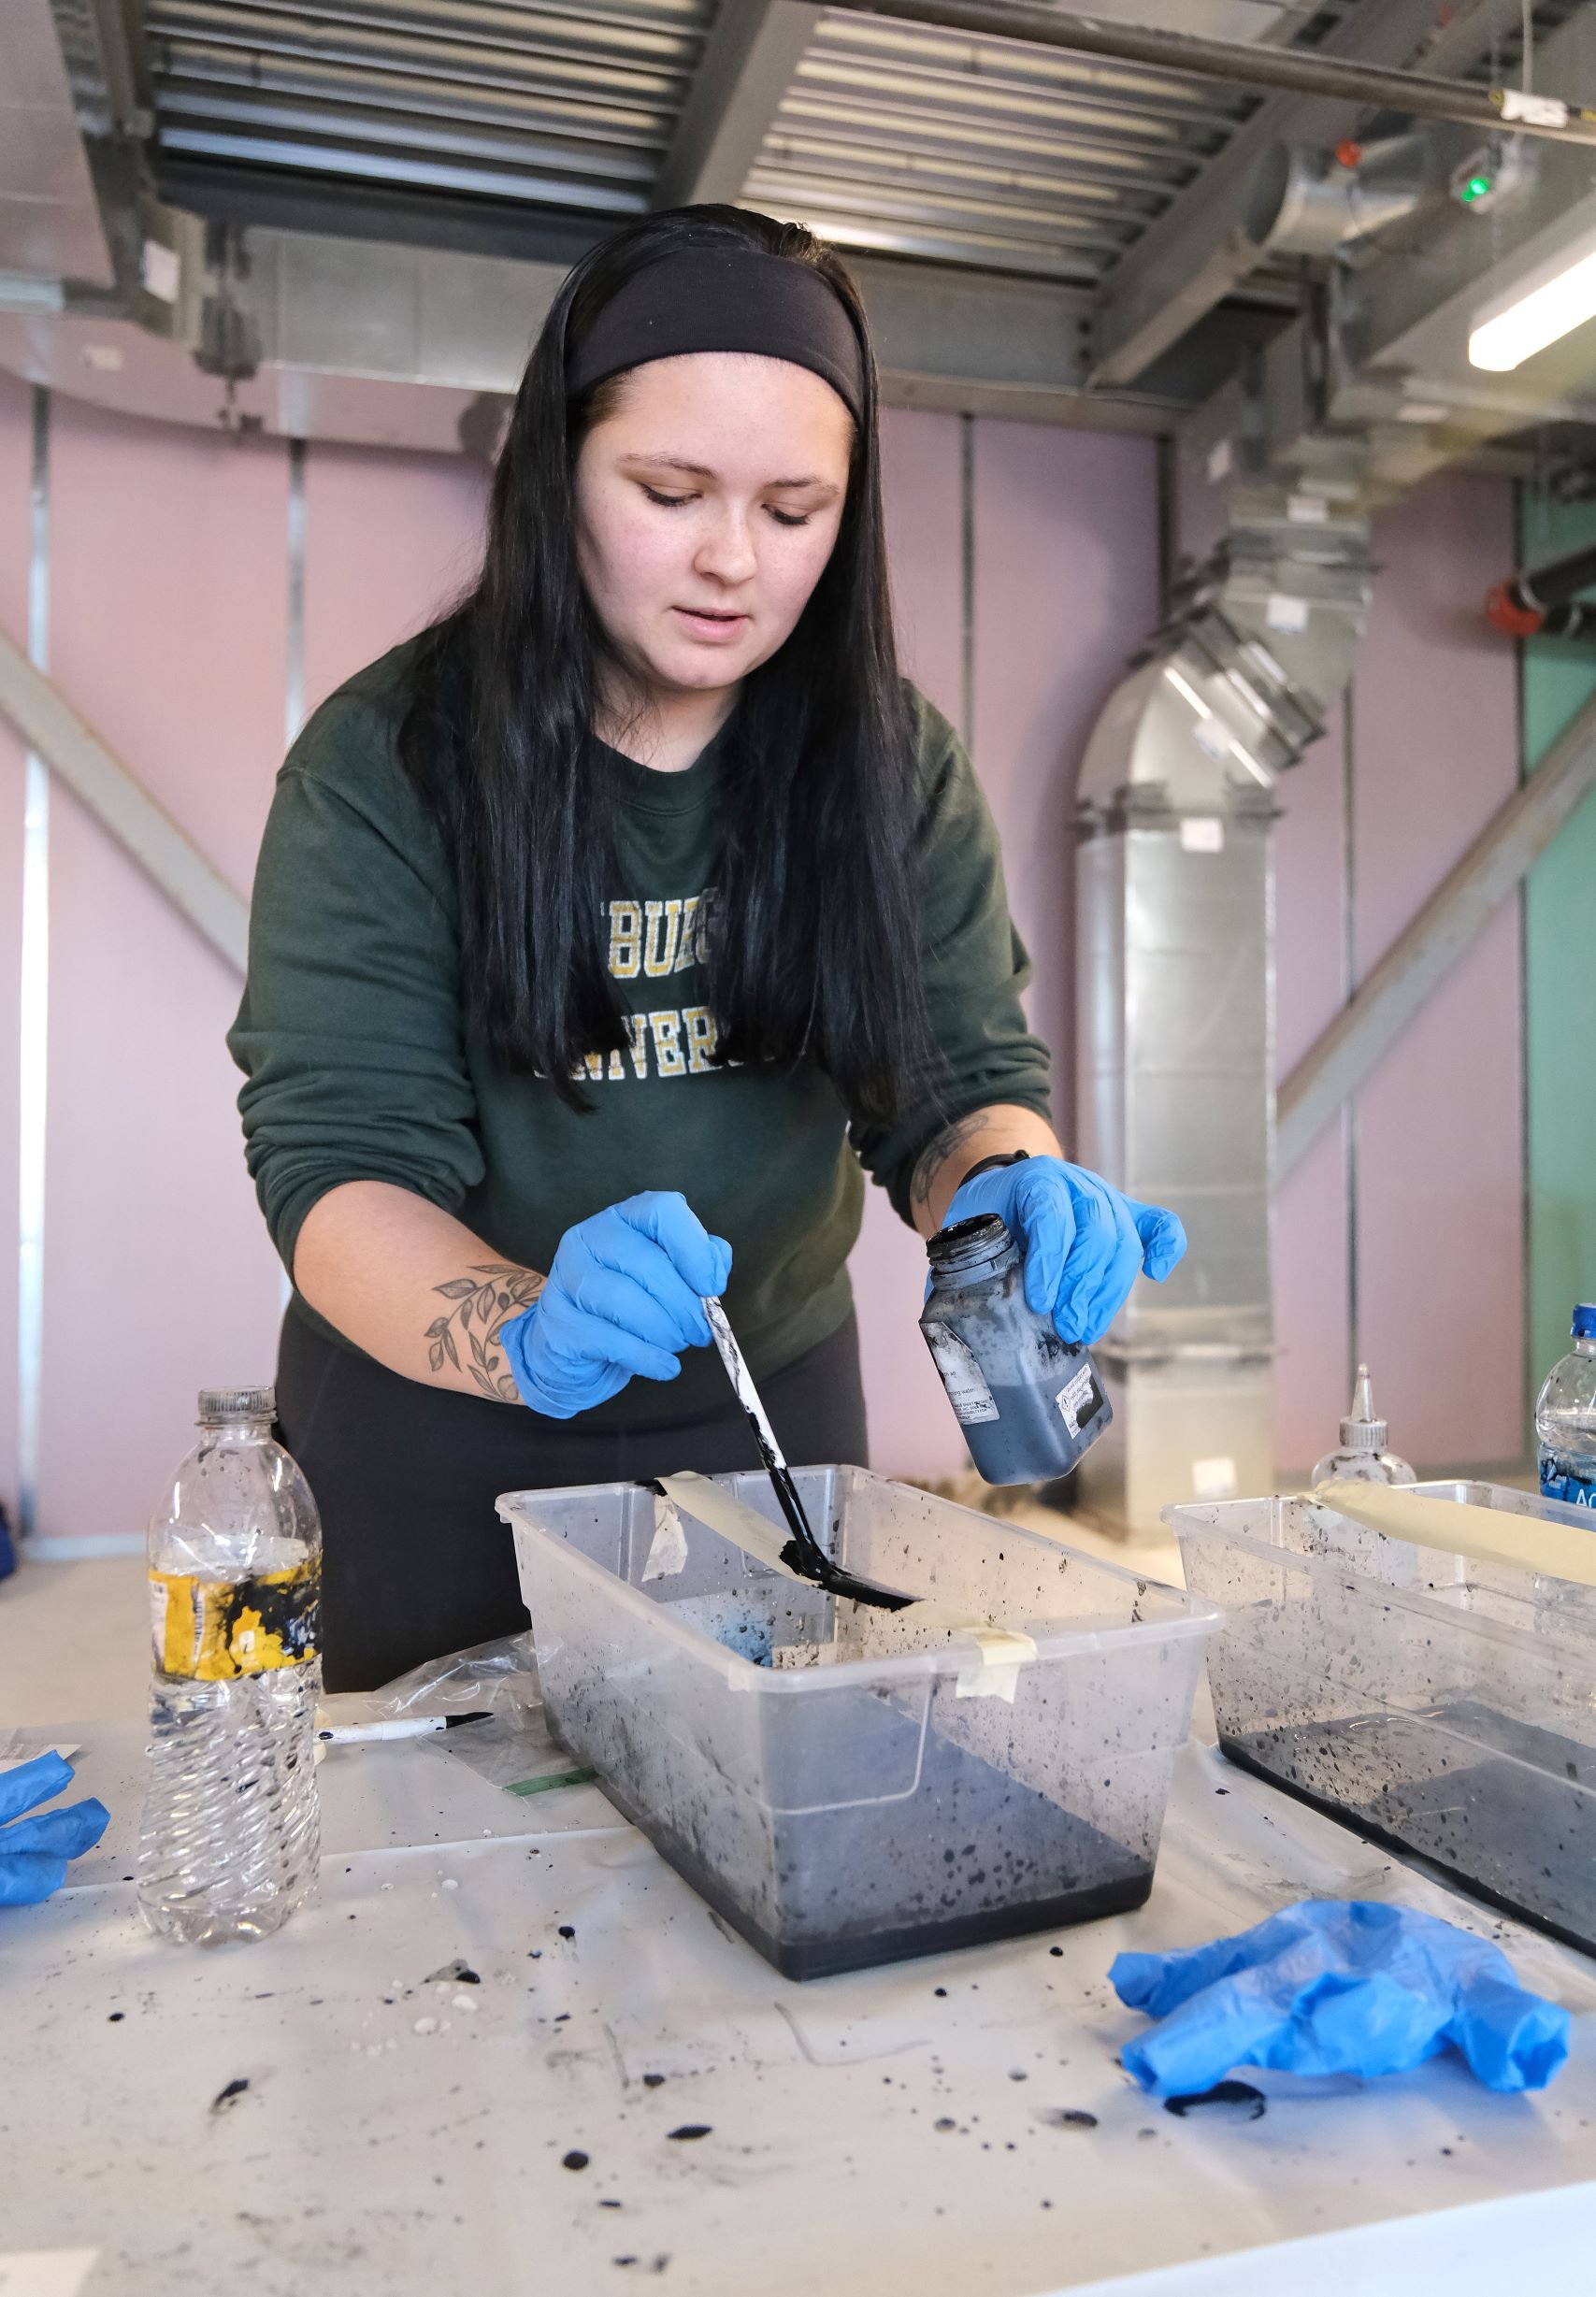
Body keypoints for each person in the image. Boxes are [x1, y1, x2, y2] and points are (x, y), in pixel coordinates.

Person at [229, 205, 1185, 1694]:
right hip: (439, 1425)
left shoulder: (891, 766)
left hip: (766, 1413)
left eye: (796, 511)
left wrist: (1006, 1188)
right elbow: (338, 1166)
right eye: (670, 491)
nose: (733, 559)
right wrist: (528, 1326)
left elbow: (953, 1085)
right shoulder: (387, 763)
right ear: (559, 470)